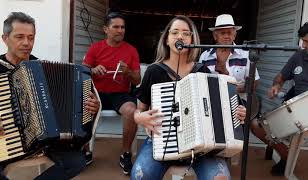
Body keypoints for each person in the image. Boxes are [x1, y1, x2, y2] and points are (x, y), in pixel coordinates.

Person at [130, 15, 247, 180]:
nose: (180, 36)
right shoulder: (154, 71)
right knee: (140, 176)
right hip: (162, 141)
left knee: (219, 178)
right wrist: (139, 117)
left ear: (192, 39)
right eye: (175, 32)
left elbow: (221, 109)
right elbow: (139, 109)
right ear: (167, 40)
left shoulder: (202, 70)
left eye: (186, 33)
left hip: (200, 148)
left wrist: (237, 113)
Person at [0, 12, 100, 180]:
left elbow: (68, 106)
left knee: (77, 161)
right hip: (5, 140)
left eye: (31, 37)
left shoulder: (40, 69)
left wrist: (90, 107)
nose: (26, 43)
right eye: (19, 37)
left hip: (41, 144)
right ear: (5, 38)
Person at [253, 18, 308, 176]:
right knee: (256, 125)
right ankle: (285, 157)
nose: (303, 45)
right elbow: (281, 77)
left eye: (307, 41)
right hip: (293, 109)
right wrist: (276, 86)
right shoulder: (299, 57)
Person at [82, 12, 141, 175]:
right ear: (105, 29)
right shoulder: (96, 48)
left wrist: (128, 72)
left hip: (120, 94)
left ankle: (126, 153)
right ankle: (85, 150)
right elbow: (82, 72)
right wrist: (93, 70)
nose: (120, 30)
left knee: (131, 110)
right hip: (98, 93)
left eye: (122, 27)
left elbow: (137, 81)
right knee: (83, 103)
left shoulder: (131, 50)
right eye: (116, 27)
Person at [199, 14, 260, 100]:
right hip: (213, 104)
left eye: (229, 33)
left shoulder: (245, 55)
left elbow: (254, 83)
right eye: (222, 33)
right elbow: (200, 83)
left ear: (234, 35)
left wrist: (231, 89)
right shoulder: (205, 56)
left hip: (239, 105)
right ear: (215, 36)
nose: (226, 36)